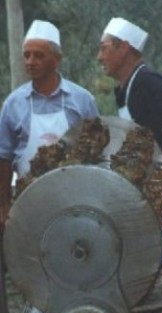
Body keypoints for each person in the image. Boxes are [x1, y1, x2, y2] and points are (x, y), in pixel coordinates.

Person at [97, 17, 162, 265]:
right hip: (147, 187)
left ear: (125, 48)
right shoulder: (126, 86)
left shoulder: (145, 81)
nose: (99, 57)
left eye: (104, 48)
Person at [0, 20, 99, 232]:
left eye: (38, 55)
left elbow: (99, 152)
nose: (30, 61)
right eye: (26, 55)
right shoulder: (13, 104)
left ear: (56, 59)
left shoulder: (82, 100)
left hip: (75, 200)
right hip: (27, 200)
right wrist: (4, 204)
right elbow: (4, 158)